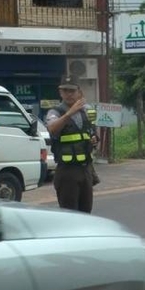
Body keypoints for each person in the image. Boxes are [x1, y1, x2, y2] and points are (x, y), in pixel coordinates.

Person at [46, 75, 96, 213]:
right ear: (60, 92)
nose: (68, 94)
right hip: (67, 171)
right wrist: (69, 113)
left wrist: (94, 139)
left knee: (86, 213)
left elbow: (93, 132)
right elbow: (52, 128)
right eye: (65, 90)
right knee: (70, 214)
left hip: (85, 169)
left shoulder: (87, 110)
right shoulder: (55, 112)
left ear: (79, 92)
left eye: (72, 91)